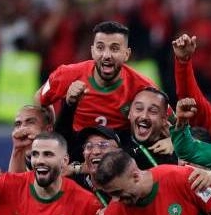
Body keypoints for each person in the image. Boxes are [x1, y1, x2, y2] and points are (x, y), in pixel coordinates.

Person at [37, 21, 157, 160]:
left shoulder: (143, 87)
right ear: (93, 51)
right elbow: (40, 99)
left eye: (114, 49)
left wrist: (168, 141)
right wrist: (49, 132)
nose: (106, 55)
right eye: (100, 48)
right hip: (76, 152)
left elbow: (167, 121)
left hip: (120, 158)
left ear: (126, 54)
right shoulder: (67, 74)